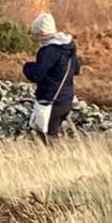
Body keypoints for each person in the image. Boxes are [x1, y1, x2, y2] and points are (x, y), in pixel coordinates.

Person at [21, 12, 81, 141]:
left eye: (36, 35)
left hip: (51, 100)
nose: (36, 39)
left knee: (47, 138)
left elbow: (36, 75)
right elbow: (76, 69)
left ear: (41, 34)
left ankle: (52, 159)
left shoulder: (48, 51)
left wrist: (26, 67)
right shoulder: (69, 46)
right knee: (57, 135)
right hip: (66, 99)